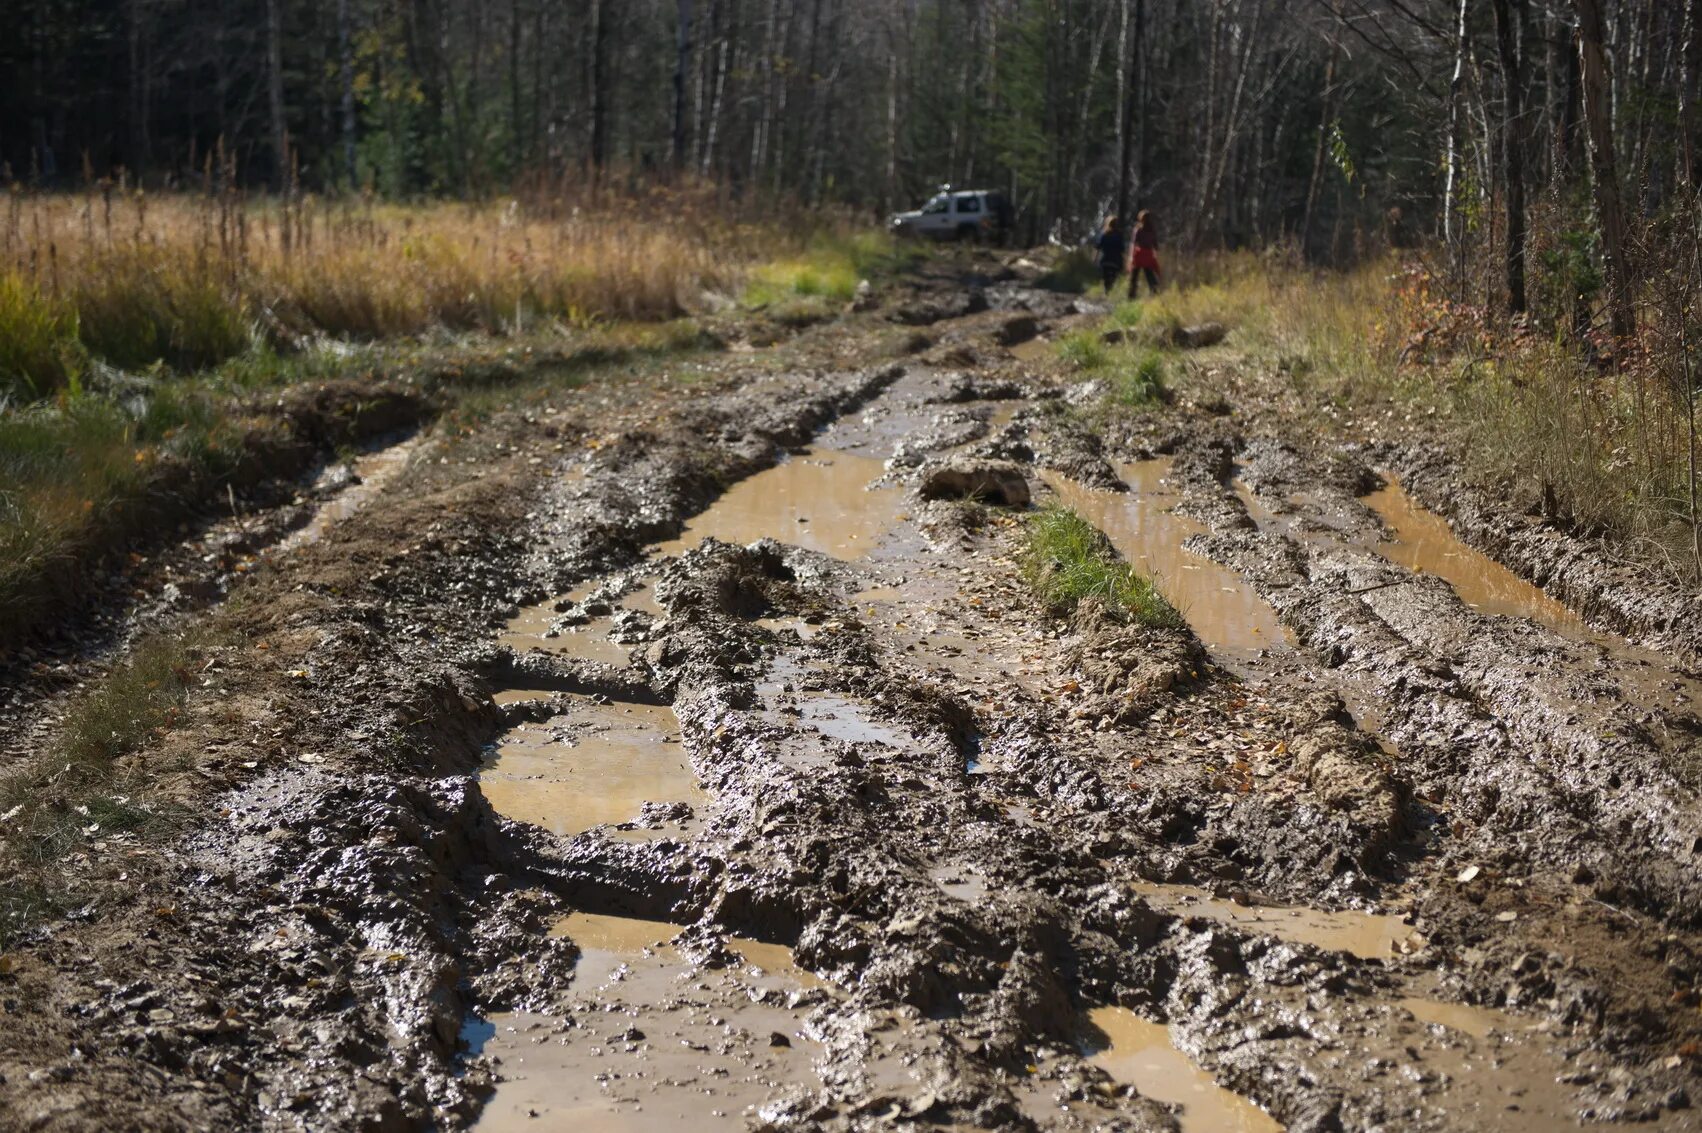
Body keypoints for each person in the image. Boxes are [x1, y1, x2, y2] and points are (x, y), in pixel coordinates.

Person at [1129, 209, 1161, 296]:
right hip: (1148, 255)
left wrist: (1131, 257)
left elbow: (1133, 243)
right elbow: (1156, 245)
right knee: (1149, 274)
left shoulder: (1138, 229)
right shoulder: (1152, 230)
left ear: (1140, 218)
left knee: (1134, 276)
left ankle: (1131, 294)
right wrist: (1155, 257)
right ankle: (1154, 292)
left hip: (1139, 254)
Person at [1094, 216, 1127, 294]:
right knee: (1114, 276)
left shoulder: (1104, 234)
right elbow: (1122, 249)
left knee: (1105, 277)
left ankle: (1107, 291)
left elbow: (1098, 247)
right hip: (1116, 261)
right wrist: (1125, 261)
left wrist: (1095, 259)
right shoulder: (1119, 235)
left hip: (1106, 260)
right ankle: (1110, 290)